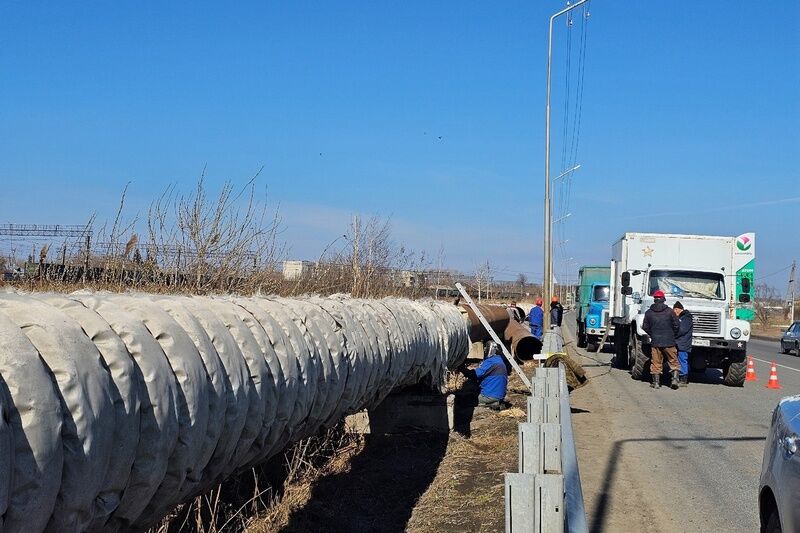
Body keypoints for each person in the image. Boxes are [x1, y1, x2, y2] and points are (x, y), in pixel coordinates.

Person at [642, 289, 680, 389]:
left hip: (656, 342)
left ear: (654, 300)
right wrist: (672, 334)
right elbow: (677, 325)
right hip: (669, 341)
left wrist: (653, 334)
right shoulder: (670, 312)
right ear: (664, 299)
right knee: (673, 361)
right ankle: (675, 380)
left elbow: (645, 327)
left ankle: (656, 383)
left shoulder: (648, 313)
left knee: (656, 363)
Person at [673, 301, 693, 387]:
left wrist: (673, 334)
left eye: (674, 310)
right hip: (680, 342)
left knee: (682, 359)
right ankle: (677, 376)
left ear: (677, 309)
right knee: (680, 359)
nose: (674, 312)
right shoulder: (683, 317)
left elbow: (682, 330)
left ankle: (683, 378)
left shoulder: (686, 318)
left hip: (683, 343)